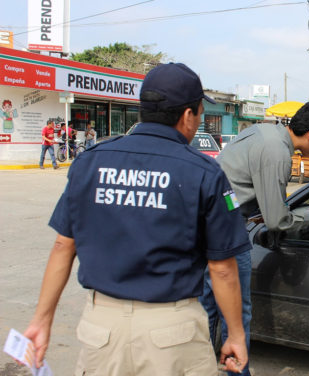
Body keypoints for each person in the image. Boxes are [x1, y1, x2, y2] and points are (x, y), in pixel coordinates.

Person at [22, 63, 249, 376]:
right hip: (173, 333)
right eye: (199, 113)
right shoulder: (204, 173)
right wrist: (235, 335)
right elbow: (222, 269)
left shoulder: (90, 162)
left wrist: (41, 321)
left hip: (101, 329)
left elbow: (63, 245)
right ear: (187, 116)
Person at [200, 100, 309, 376]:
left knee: (208, 305)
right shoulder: (278, 153)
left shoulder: (262, 130)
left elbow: (241, 183)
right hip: (228, 229)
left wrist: (262, 209)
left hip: (209, 223)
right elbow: (277, 220)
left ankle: (196, 368)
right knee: (237, 311)